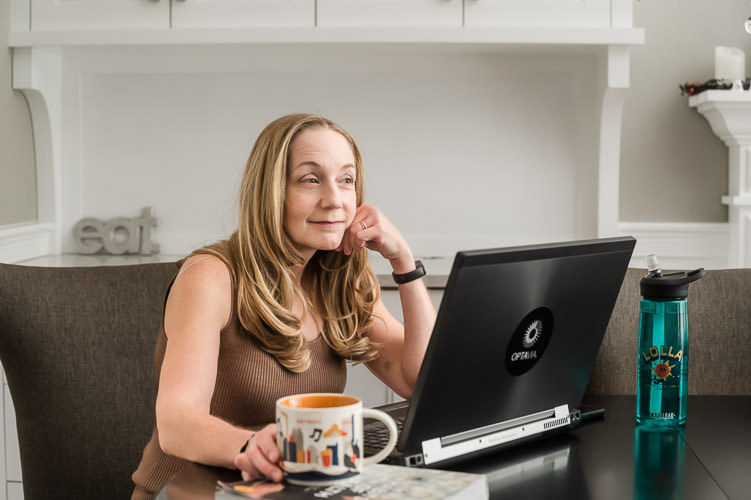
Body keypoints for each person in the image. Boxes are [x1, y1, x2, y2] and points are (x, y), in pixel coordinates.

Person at [131, 113, 436, 498]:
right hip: (190, 491)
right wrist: (249, 448)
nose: (334, 200)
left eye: (346, 180)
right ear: (271, 191)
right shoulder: (211, 276)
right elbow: (176, 423)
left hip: (287, 491)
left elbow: (418, 384)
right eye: (310, 179)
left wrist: (405, 265)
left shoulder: (339, 279)